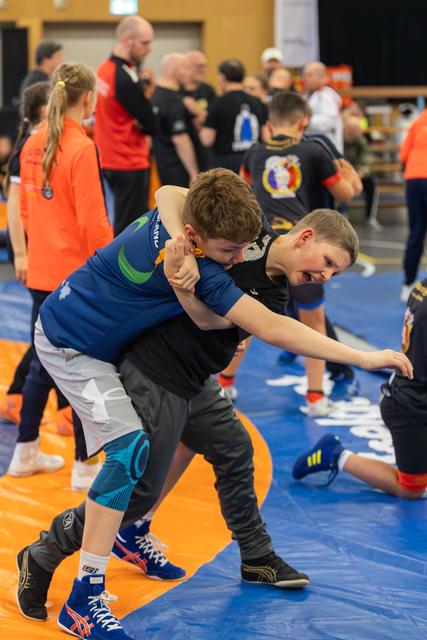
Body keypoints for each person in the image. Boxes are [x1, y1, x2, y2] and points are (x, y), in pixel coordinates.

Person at [22, 167, 410, 637]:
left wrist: (185, 286)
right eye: (326, 262)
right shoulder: (209, 255)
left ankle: (254, 555)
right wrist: (362, 357)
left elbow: (175, 209)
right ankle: (51, 557)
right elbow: (265, 325)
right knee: (136, 478)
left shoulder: (234, 241)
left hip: (186, 372)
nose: (236, 258)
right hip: (123, 356)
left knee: (232, 446)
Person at [7, 63, 114, 491]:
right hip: (77, 276)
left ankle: (25, 450)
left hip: (43, 269)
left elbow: (27, 210)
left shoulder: (34, 141)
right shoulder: (80, 146)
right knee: (84, 368)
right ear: (87, 99)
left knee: (43, 364)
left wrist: (33, 250)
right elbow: (93, 220)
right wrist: (110, 269)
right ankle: (85, 468)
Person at [221, 91, 361, 415]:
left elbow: (243, 194)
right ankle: (315, 396)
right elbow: (345, 193)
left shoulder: (254, 152)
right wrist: (352, 177)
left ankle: (225, 384)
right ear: (304, 122)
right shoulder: (313, 149)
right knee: (313, 322)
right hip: (300, 245)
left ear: (269, 124)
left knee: (250, 315)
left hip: (261, 243)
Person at [293, 279, 427, 500]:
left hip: (409, 389)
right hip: (411, 406)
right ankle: (336, 455)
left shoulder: (422, 285)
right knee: (411, 489)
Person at [0, 82, 73, 436]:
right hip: (38, 254)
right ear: (46, 110)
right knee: (49, 333)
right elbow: (15, 206)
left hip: (50, 253)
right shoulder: (29, 148)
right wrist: (21, 253)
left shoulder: (45, 144)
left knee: (53, 333)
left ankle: (56, 408)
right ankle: (21, 399)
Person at [94, 15, 157, 236]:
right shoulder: (123, 77)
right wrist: (144, 121)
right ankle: (120, 271)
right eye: (145, 42)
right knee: (131, 229)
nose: (149, 49)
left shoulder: (104, 69)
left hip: (109, 157)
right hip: (127, 160)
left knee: (120, 221)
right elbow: (151, 123)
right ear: (128, 40)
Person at [200, 59, 268, 173]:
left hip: (226, 165)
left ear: (222, 77)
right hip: (254, 160)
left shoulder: (218, 103)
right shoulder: (257, 102)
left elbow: (207, 140)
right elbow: (266, 136)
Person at [151, 53, 200, 186]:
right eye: (187, 68)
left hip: (165, 164)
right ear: (176, 71)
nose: (190, 73)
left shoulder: (157, 94)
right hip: (178, 169)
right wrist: (193, 172)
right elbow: (180, 138)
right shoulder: (171, 100)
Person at [399, 107, 427, 303]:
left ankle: (408, 284)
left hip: (414, 179)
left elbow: (403, 154)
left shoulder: (419, 119)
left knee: (416, 231)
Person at [343, 107, 381, 231]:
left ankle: (370, 218)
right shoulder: (338, 141)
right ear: (348, 130)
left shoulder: (361, 141)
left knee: (371, 182)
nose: (360, 132)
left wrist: (361, 172)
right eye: (356, 130)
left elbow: (367, 159)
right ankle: (341, 216)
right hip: (341, 175)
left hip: (357, 175)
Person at [303, 61, 343, 152]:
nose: (305, 79)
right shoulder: (308, 95)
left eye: (309, 75)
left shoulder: (326, 96)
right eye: (304, 75)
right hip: (314, 145)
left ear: (321, 77)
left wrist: (304, 121)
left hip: (327, 148)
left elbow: (328, 122)